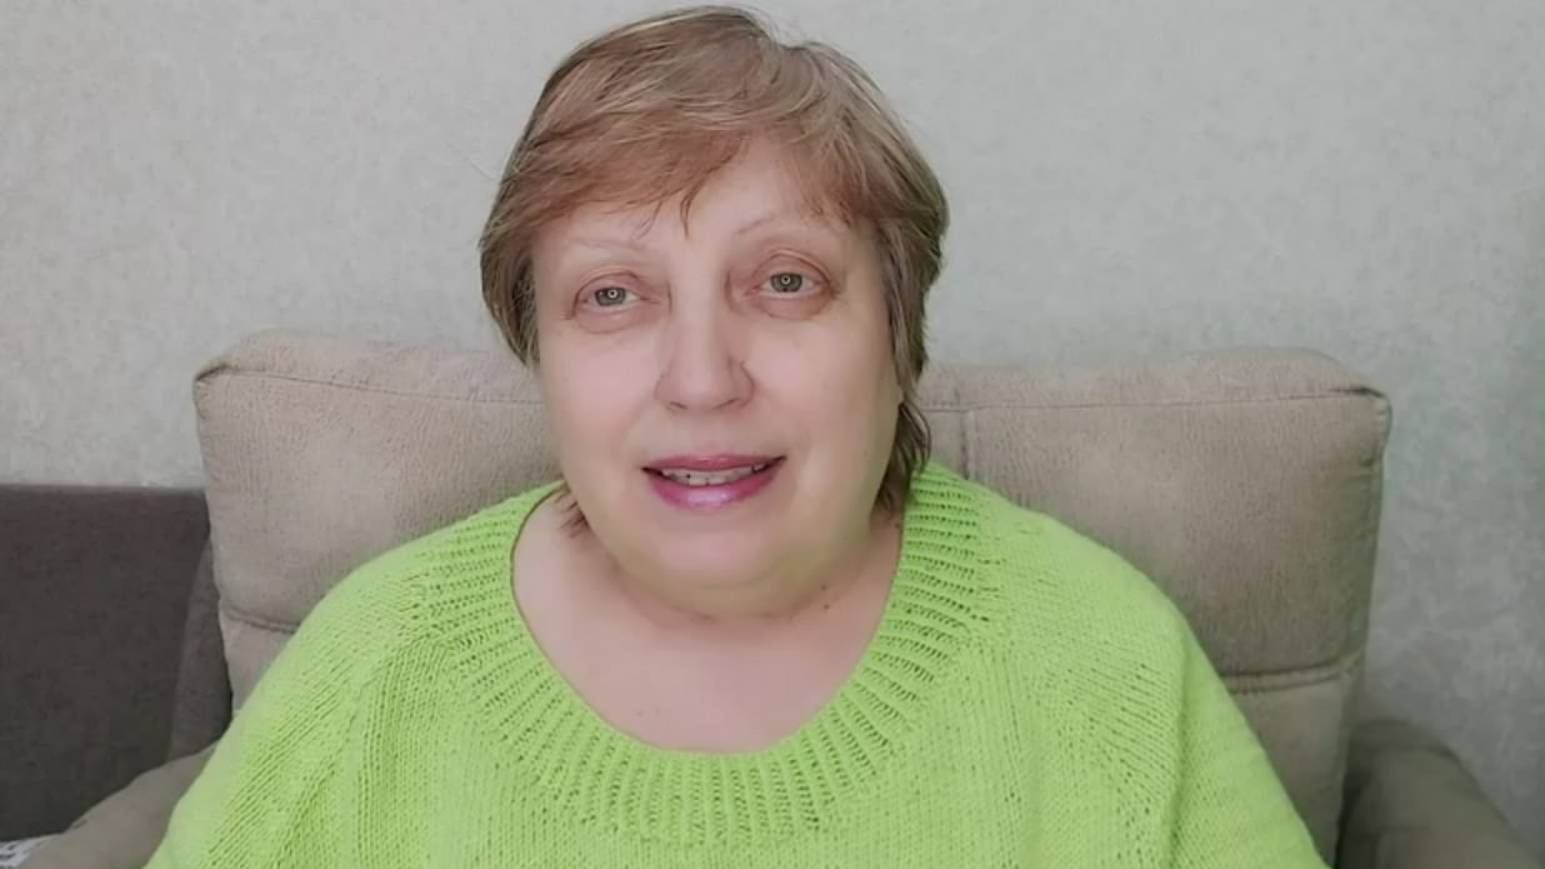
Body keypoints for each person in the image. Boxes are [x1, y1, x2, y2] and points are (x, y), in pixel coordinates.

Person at [147, 6, 1324, 867]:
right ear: (539, 353)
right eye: (613, 294)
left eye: (787, 280)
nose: (702, 378)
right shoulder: (372, 663)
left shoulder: (1108, 661)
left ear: (899, 334)